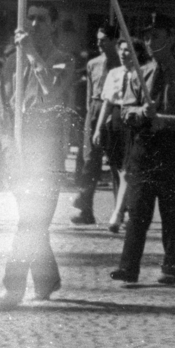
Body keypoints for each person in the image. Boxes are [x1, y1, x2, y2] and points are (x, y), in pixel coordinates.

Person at [0, 2, 78, 307]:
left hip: (48, 153)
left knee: (31, 221)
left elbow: (51, 93)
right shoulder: (10, 63)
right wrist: (7, 150)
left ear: (54, 25)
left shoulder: (63, 61)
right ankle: (47, 279)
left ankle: (13, 286)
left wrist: (31, 53)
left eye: (41, 19)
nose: (33, 24)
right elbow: (3, 111)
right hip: (19, 152)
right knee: (32, 221)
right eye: (29, 18)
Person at [111, 15, 175, 286]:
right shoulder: (139, 75)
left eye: (157, 37)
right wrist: (141, 112)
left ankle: (173, 267)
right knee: (137, 209)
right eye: (147, 38)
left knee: (174, 210)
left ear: (171, 38)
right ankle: (128, 267)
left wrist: (169, 120)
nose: (150, 43)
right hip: (145, 147)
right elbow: (125, 111)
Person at [93, 36, 146, 233]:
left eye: (128, 50)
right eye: (121, 50)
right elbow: (106, 102)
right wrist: (99, 129)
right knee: (118, 170)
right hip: (115, 121)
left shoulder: (142, 74)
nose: (124, 54)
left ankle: (117, 214)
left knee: (127, 170)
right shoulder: (114, 73)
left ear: (137, 53)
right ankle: (123, 209)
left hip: (133, 120)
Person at [70, 25, 118, 225]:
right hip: (95, 109)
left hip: (115, 110)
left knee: (117, 163)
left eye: (104, 39)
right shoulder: (93, 64)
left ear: (115, 40)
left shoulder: (122, 62)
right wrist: (91, 117)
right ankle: (85, 210)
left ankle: (120, 212)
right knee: (88, 161)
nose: (99, 43)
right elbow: (90, 94)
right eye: (98, 39)